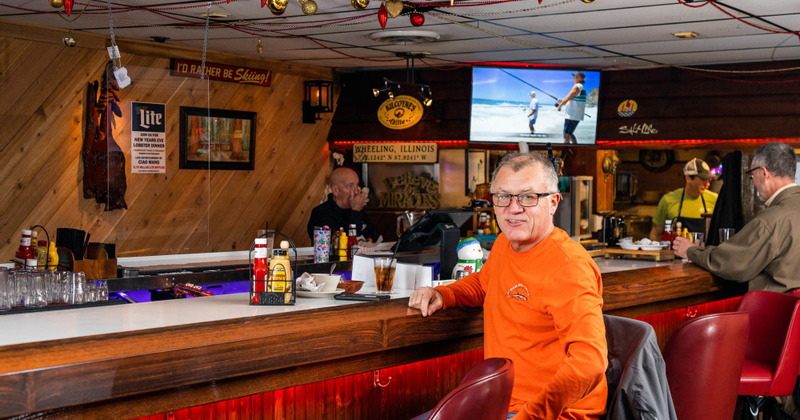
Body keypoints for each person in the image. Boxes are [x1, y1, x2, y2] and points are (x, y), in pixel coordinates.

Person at [409, 152, 608, 420]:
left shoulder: (569, 266)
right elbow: (484, 282)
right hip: (501, 403)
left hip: (554, 414)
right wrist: (443, 294)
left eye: (528, 197)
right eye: (503, 197)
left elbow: (590, 363)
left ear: (553, 202)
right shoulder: (505, 242)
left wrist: (531, 416)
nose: (513, 208)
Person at [673, 142, 800, 292]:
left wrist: (690, 250)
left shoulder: (770, 221)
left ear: (764, 173)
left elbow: (732, 264)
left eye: (752, 175)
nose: (752, 182)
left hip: (772, 311)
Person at [649, 158, 718, 241]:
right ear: (688, 178)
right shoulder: (668, 200)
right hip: (676, 253)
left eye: (708, 179)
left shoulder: (715, 199)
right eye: (703, 179)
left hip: (703, 253)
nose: (707, 183)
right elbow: (656, 234)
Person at [306, 167, 379, 241]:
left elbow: (374, 240)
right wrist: (355, 212)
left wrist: (357, 211)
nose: (356, 191)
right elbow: (343, 245)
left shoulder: (359, 211)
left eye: (357, 185)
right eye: (350, 186)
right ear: (335, 190)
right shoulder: (320, 213)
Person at [556, 71, 587, 144]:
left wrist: (560, 106)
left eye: (575, 77)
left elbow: (568, 98)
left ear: (579, 78)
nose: (573, 79)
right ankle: (575, 148)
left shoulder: (577, 86)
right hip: (576, 115)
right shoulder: (582, 88)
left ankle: (566, 150)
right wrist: (562, 100)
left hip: (572, 115)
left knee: (566, 134)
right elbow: (571, 98)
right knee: (570, 133)